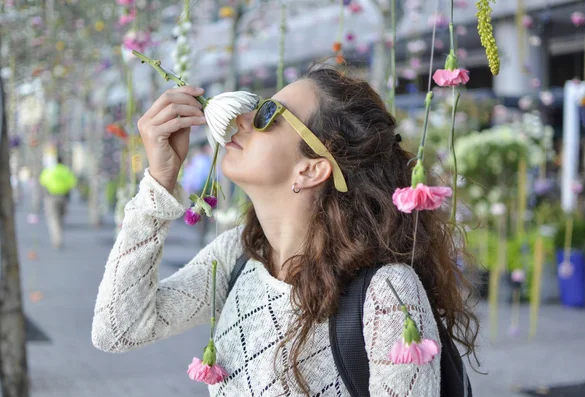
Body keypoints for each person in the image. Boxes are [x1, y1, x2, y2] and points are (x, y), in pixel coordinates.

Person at [92, 67, 479, 396]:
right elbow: (118, 330)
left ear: (311, 168)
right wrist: (159, 183)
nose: (239, 120)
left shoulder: (388, 293)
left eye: (266, 115)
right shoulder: (237, 256)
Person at [39, 155, 77, 249]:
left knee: (53, 218)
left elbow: (43, 181)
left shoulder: (50, 170)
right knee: (60, 217)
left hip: (51, 196)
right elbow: (72, 183)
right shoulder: (66, 171)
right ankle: (59, 235)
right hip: (63, 197)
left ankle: (57, 239)